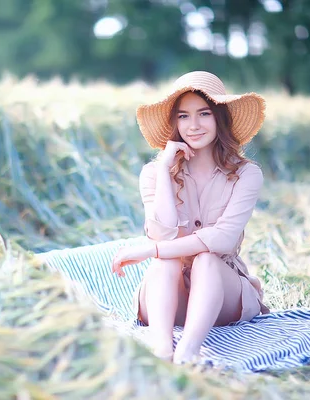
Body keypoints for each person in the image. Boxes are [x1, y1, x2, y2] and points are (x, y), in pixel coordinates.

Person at [111, 71, 270, 364]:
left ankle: (189, 350)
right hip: (167, 298)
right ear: (175, 123)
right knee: (166, 259)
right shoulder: (153, 174)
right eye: (183, 116)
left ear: (219, 117)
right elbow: (162, 235)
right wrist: (164, 171)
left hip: (220, 294)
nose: (193, 125)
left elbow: (222, 239)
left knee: (206, 257)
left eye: (204, 114)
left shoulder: (247, 174)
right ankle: (162, 349)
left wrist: (150, 249)